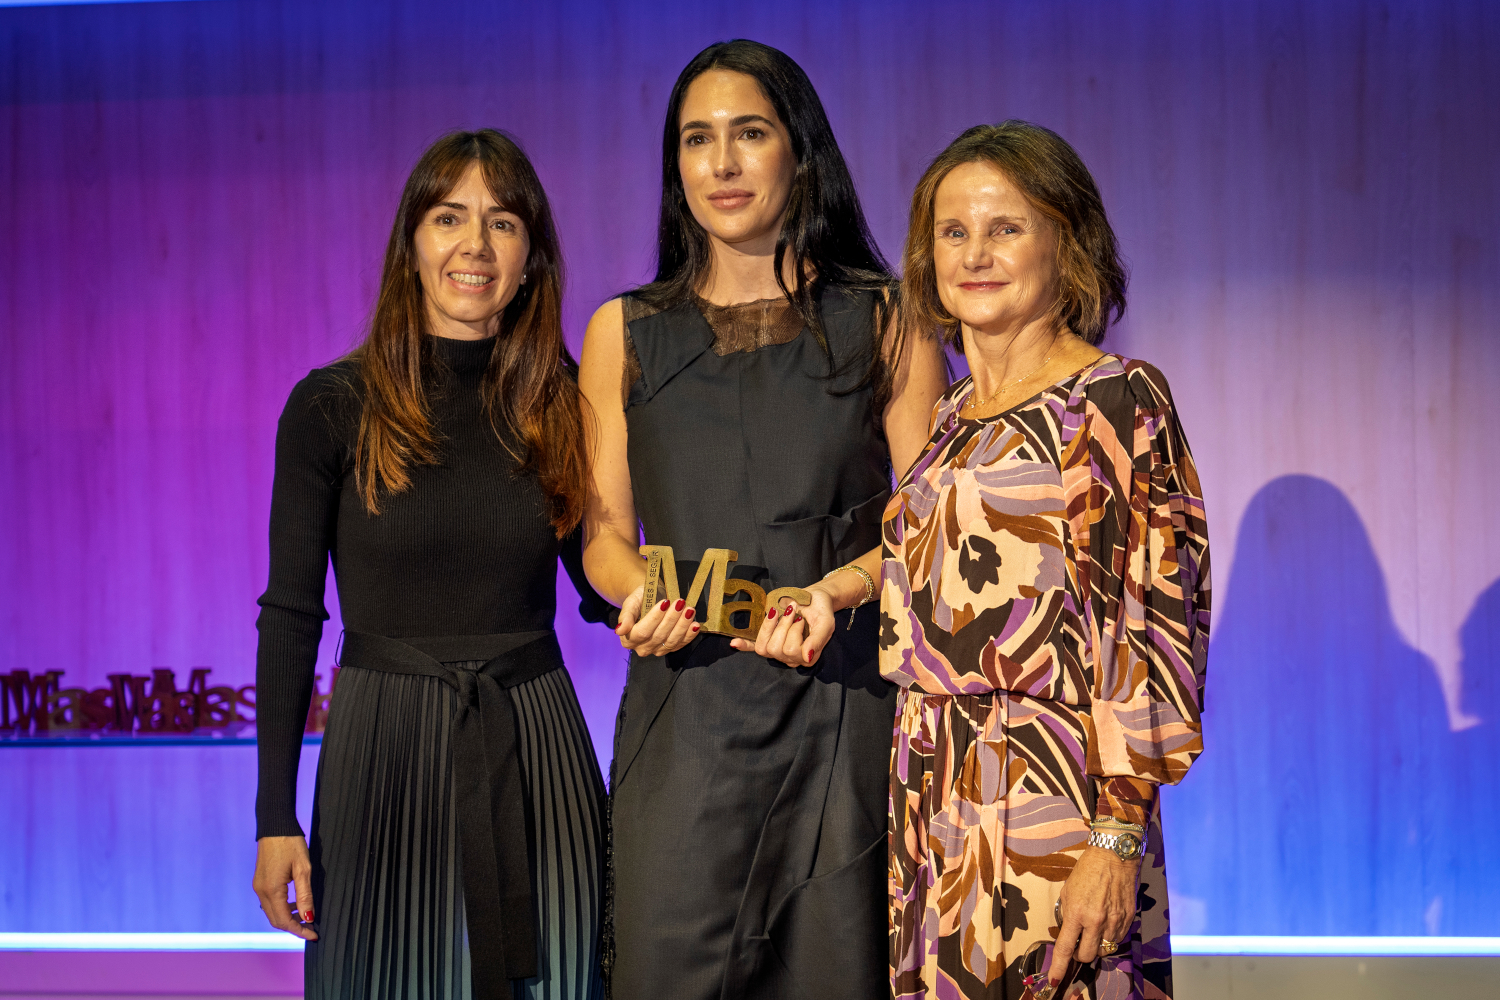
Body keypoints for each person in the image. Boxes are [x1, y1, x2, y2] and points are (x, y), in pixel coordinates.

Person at [578, 39, 948, 1000]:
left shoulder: (889, 318)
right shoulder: (623, 331)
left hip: (845, 711)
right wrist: (640, 599)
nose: (723, 163)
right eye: (697, 140)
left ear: (801, 152)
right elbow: (604, 537)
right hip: (686, 712)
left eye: (750, 133)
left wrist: (835, 592)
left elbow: (931, 529)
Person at [251, 129, 610, 1000]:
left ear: (532, 258)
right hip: (382, 746)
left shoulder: (565, 401)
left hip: (533, 741)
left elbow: (601, 579)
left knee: (557, 979)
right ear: (411, 243)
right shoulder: (331, 406)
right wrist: (273, 818)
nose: (474, 247)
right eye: (449, 218)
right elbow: (293, 615)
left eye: (503, 223)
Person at [881, 121, 1210, 1000]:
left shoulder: (1110, 399)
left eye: (1005, 227)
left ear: (1067, 244)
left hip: (1050, 797)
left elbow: (1152, 629)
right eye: (954, 232)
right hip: (934, 800)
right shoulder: (950, 417)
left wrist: (1115, 834)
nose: (975, 254)